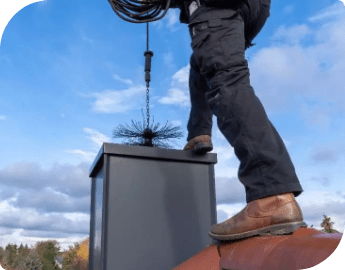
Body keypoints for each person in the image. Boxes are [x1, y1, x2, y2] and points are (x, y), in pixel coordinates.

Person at [169, 0, 308, 241]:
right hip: (256, 6)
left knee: (226, 81)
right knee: (202, 62)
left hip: (214, 5)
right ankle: (198, 131)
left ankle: (271, 197)